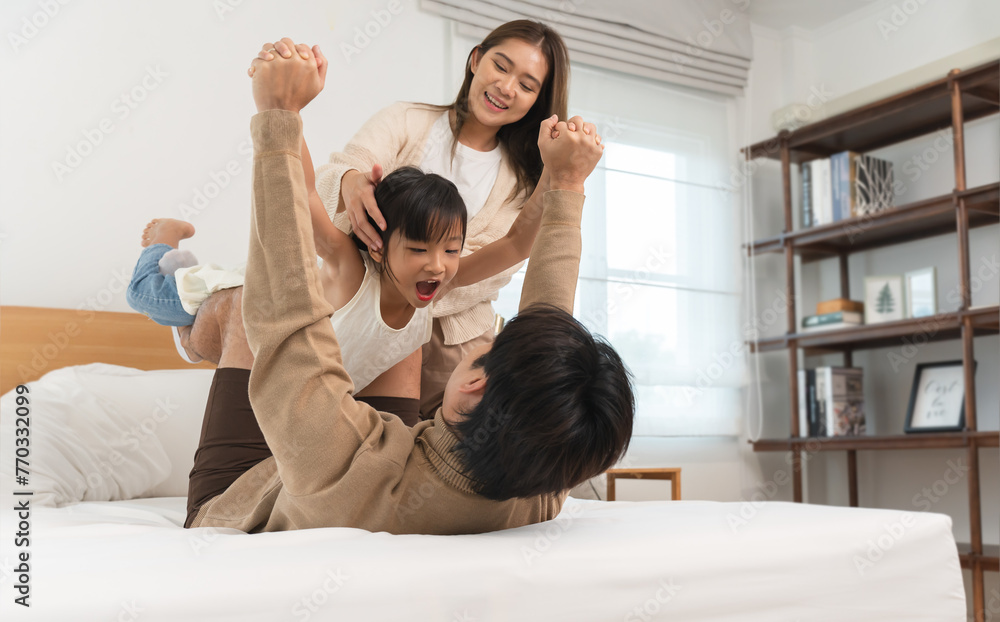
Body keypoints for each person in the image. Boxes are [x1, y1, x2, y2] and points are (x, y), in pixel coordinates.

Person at [183, 39, 634, 534]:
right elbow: (549, 326)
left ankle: (175, 284)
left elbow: (285, 313)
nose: (437, 266)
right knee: (401, 345)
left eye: (528, 83)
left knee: (253, 310)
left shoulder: (338, 460)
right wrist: (568, 183)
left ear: (475, 383)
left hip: (236, 495)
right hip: (381, 435)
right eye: (419, 250)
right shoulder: (541, 485)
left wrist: (278, 114)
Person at [256, 20, 574, 418]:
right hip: (363, 304)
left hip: (454, 339)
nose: (508, 88)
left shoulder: (521, 184)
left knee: (422, 453)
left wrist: (562, 172)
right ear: (476, 59)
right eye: (501, 66)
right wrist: (347, 178)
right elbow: (318, 186)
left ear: (537, 102)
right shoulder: (406, 121)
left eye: (528, 85)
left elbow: (511, 247)